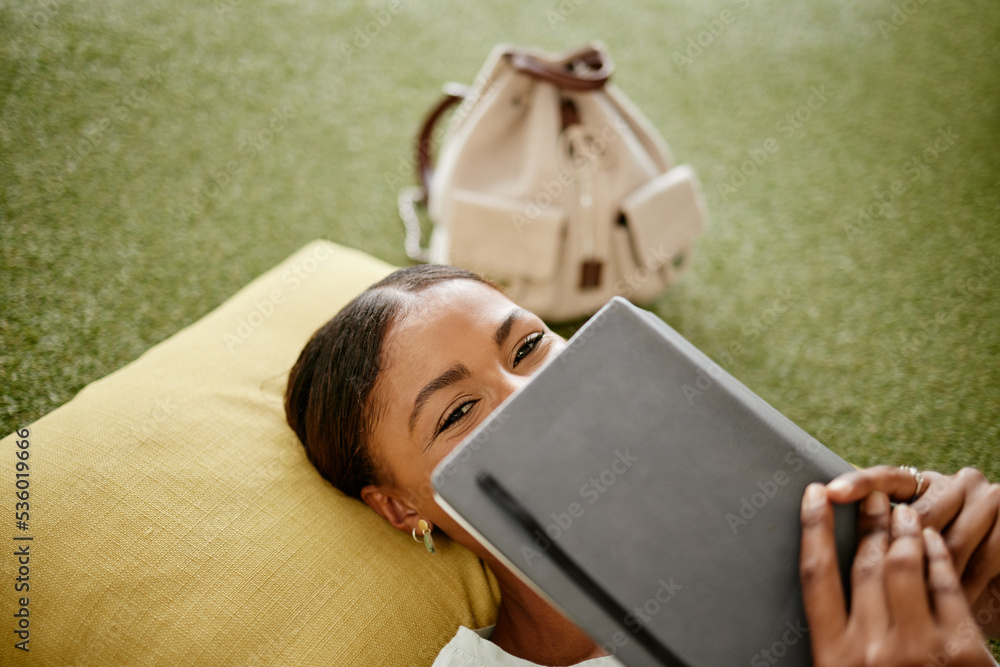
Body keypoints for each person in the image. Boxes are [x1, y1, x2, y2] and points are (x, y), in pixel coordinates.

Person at [285, 265, 1000, 666]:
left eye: (529, 348)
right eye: (456, 413)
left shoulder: (765, 494)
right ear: (401, 505)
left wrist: (976, 580)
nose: (532, 399)